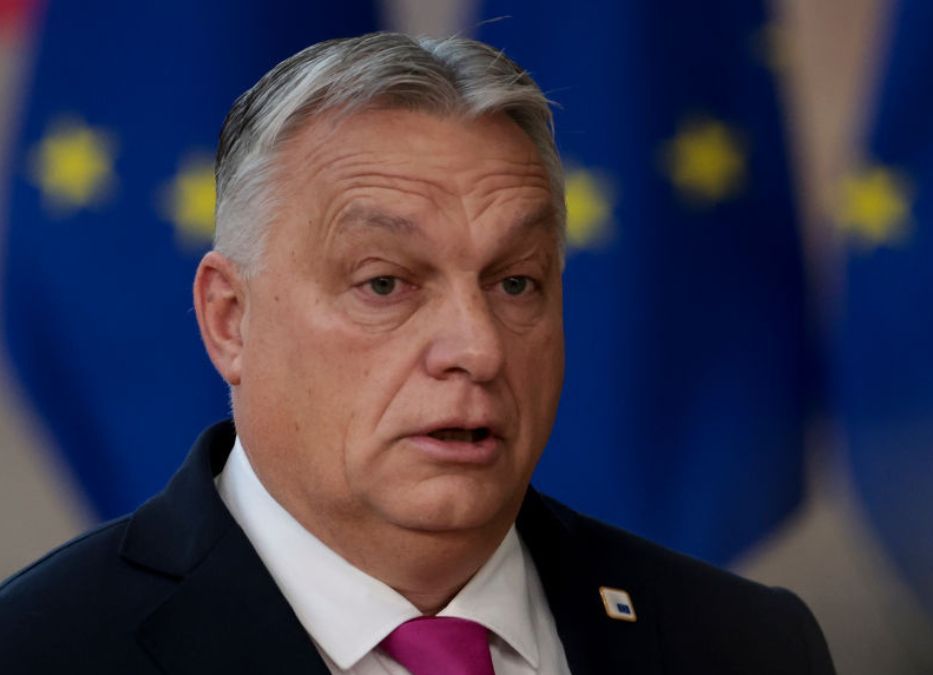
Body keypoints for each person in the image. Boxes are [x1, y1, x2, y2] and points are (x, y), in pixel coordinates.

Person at [0, 32, 834, 674]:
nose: (478, 348)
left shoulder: (750, 645)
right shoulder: (39, 651)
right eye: (386, 283)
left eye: (515, 282)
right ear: (230, 320)